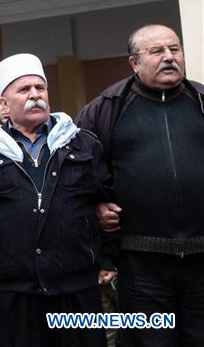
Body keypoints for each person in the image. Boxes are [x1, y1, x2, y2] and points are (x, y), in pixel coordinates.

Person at [0, 53, 115, 347]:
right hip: (16, 293)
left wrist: (108, 257)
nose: (35, 95)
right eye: (24, 90)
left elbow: (107, 201)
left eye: (40, 88)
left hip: (78, 290)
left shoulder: (81, 142)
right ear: (4, 104)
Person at [77, 24, 204, 347]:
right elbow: (80, 172)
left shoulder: (200, 100)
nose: (169, 58)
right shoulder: (107, 108)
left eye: (174, 49)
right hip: (141, 261)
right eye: (157, 51)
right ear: (134, 63)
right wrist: (95, 206)